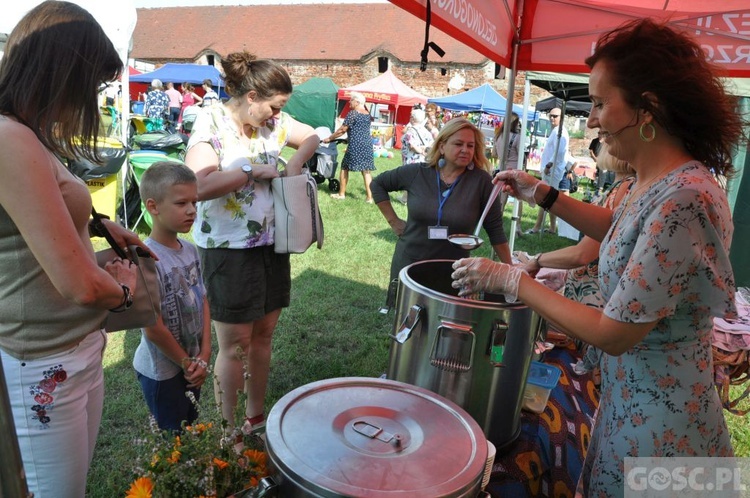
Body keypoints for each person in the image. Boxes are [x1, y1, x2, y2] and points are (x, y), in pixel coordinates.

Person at [451, 18, 743, 497]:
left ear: (646, 109)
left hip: (664, 431)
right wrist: (542, 193)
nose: (591, 119)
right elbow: (617, 231)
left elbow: (614, 334)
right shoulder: (656, 183)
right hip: (633, 407)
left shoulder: (684, 198)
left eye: (602, 103)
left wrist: (513, 280)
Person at [0, 2, 145, 496]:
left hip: (70, 349)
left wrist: (101, 223)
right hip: (40, 360)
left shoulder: (27, 136)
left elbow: (38, 209)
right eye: (95, 86)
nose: (95, 100)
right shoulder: (9, 139)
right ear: (60, 74)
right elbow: (82, 287)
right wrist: (124, 290)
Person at [184, 51, 318, 434]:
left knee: (264, 335)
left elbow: (312, 135)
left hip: (272, 244)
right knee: (236, 343)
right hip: (228, 251)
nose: (277, 116)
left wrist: (294, 165)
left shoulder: (273, 125)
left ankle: (254, 418)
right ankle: (229, 432)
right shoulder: (210, 121)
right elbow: (198, 185)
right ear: (252, 96)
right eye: (273, 107)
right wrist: (250, 171)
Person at [372, 117, 513, 309]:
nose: (465, 150)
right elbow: (378, 184)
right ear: (442, 146)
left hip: (454, 269)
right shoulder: (417, 173)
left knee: (444, 325)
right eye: (458, 144)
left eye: (470, 145)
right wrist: (394, 221)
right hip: (411, 261)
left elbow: (496, 229)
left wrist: (512, 271)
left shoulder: (482, 182)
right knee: (407, 323)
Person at [132, 161, 211, 433]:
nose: (191, 210)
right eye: (181, 203)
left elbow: (203, 299)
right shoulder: (146, 259)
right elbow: (153, 327)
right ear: (153, 207)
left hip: (192, 365)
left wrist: (206, 353)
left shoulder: (191, 250)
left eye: (194, 202)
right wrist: (187, 363)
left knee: (189, 426)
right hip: (162, 373)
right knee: (173, 438)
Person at [322, 91, 376, 203]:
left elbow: (342, 130)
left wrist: (330, 138)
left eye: (351, 100)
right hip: (367, 144)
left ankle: (341, 194)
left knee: (344, 168)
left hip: (356, 145)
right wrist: (348, 139)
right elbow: (360, 130)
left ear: (357, 102)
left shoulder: (353, 113)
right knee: (366, 171)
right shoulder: (367, 114)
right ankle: (370, 198)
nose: (349, 102)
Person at [525, 107, 568, 234]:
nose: (552, 118)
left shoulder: (561, 131)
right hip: (552, 170)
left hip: (553, 170)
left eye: (555, 116)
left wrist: (549, 165)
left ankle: (537, 227)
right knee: (550, 199)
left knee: (544, 198)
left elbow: (559, 151)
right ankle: (552, 227)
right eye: (551, 116)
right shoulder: (556, 131)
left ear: (562, 117)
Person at [493, 112, 522, 218]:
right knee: (519, 198)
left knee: (502, 198)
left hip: (502, 169)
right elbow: (521, 155)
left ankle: (498, 220)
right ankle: (517, 225)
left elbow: (494, 154)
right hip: (515, 170)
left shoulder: (498, 136)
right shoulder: (517, 137)